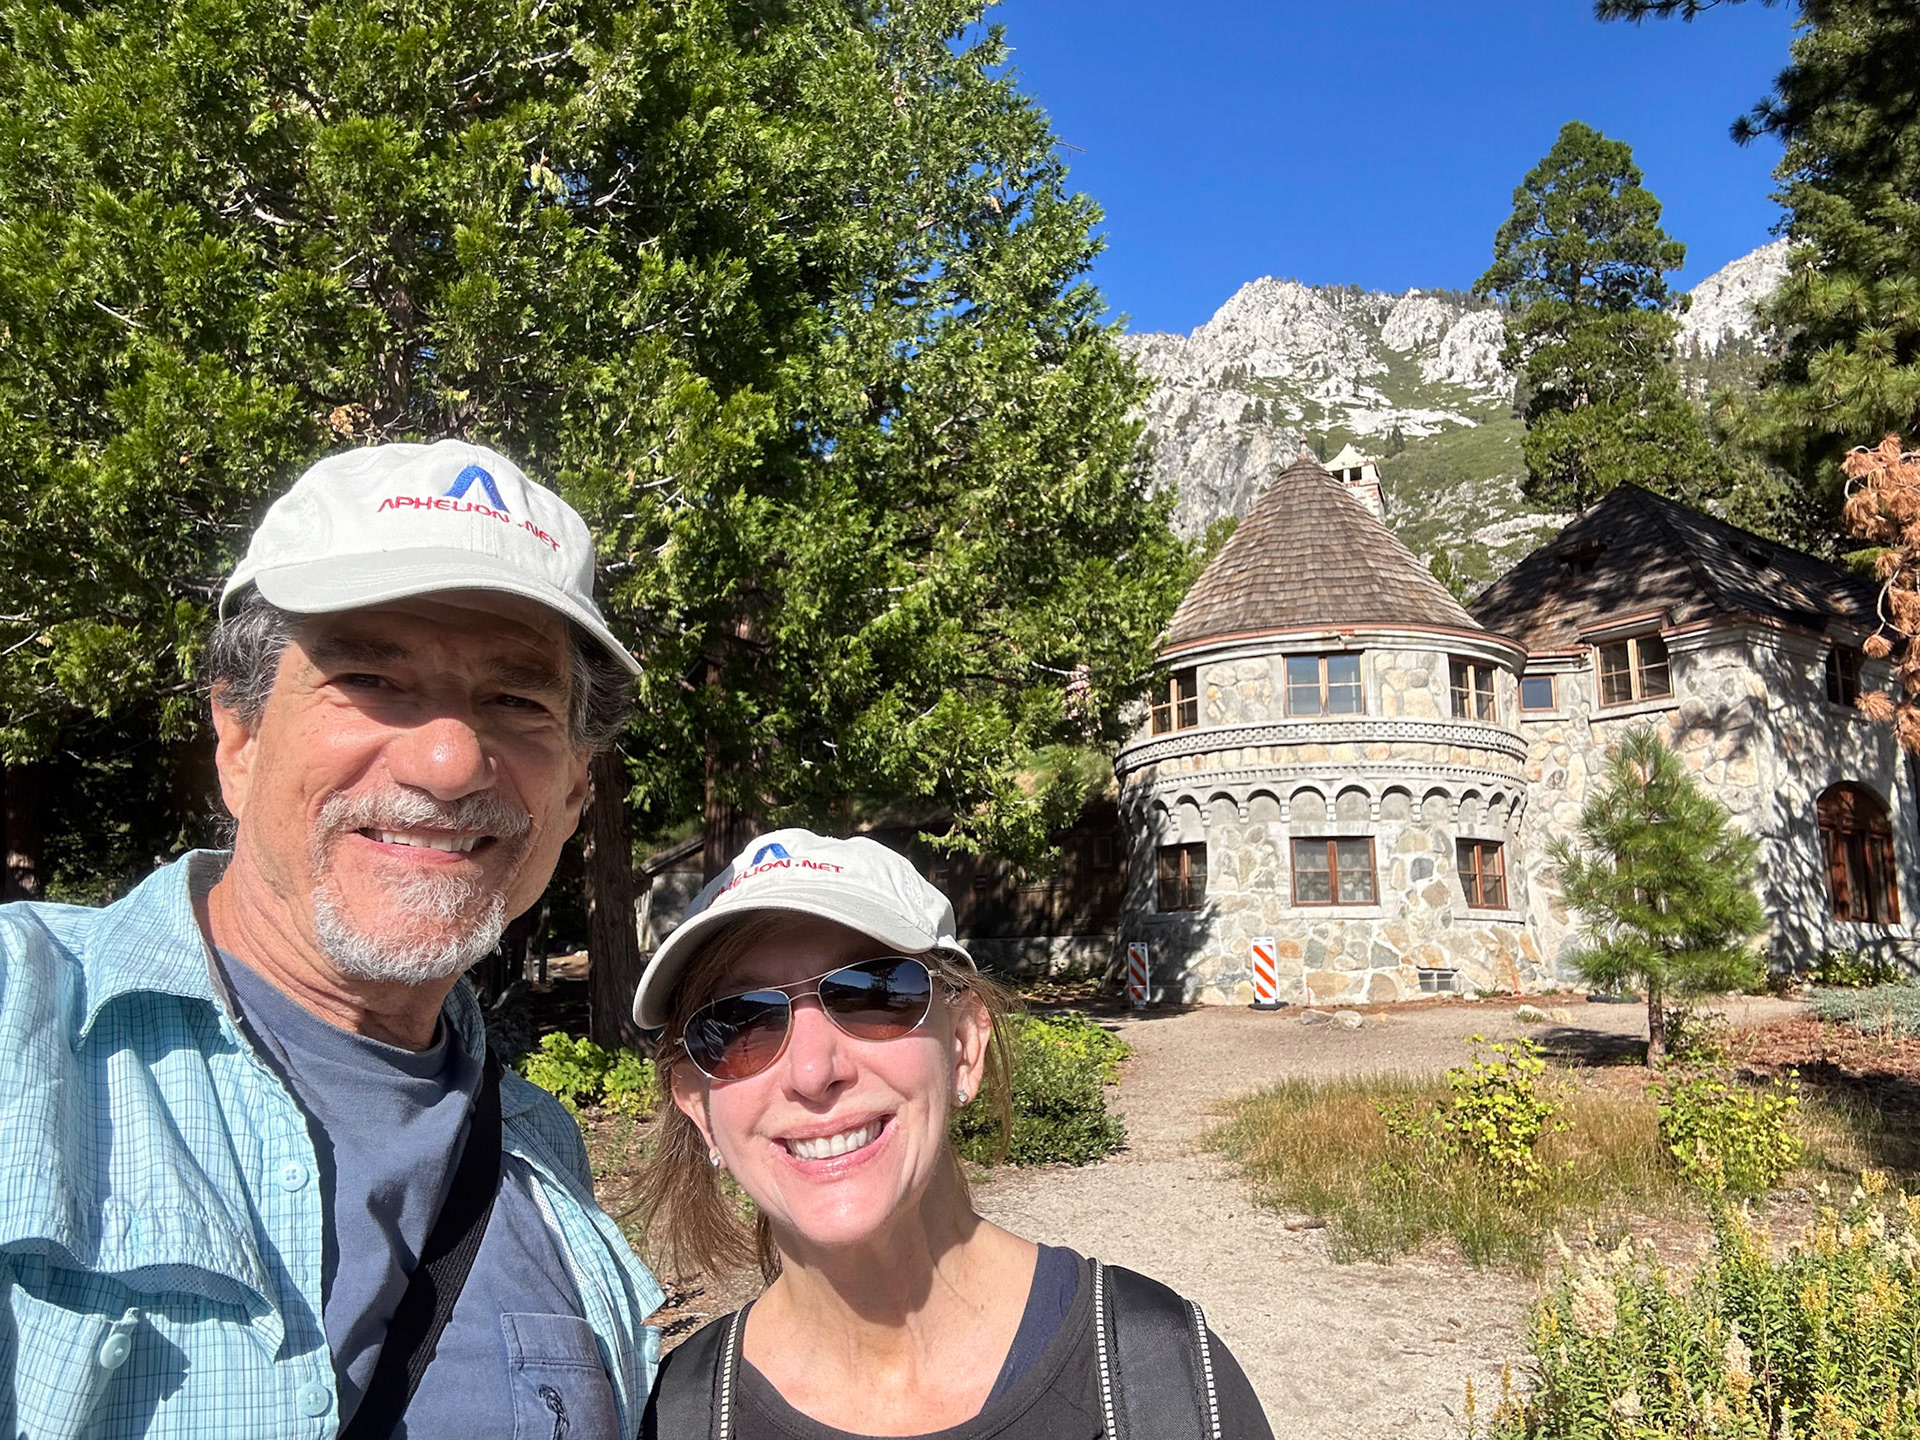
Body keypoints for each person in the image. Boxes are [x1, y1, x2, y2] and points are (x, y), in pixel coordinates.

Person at [0, 441, 662, 1438]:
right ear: (238, 738)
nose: (449, 762)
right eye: (371, 678)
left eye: (516, 701)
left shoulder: (539, 1150)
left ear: (573, 791)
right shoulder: (23, 1022)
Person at [633, 828, 1274, 1440]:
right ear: (698, 1108)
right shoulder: (676, 1419)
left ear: (964, 1045)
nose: (812, 1072)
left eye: (871, 993)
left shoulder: (1160, 1377)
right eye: (740, 1022)